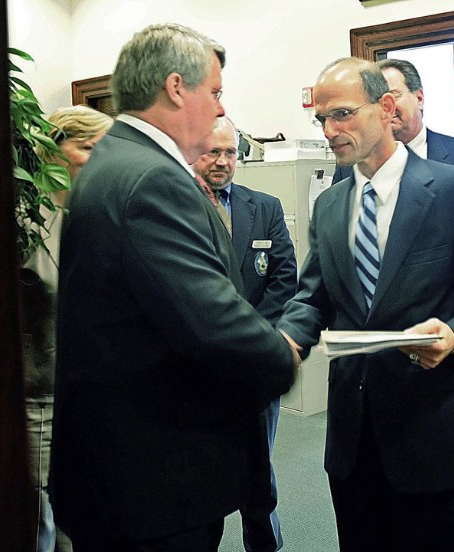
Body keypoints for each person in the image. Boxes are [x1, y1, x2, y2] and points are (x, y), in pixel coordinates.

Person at [48, 23, 302, 552]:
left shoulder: (119, 162)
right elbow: (211, 322)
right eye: (215, 92)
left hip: (131, 470)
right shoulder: (150, 178)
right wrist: (282, 355)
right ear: (175, 87)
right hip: (152, 481)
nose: (218, 108)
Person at [276, 57, 454, 552]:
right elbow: (314, 296)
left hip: (433, 433)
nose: (330, 130)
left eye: (342, 114)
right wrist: (284, 342)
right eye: (321, 119)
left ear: (386, 108)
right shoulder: (330, 205)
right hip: (352, 441)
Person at [191, 116, 297, 552]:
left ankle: (265, 544)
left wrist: (250, 338)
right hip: (201, 366)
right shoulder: (178, 207)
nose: (222, 162)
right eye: (212, 152)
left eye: (230, 152)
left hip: (254, 364)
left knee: (259, 471)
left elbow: (284, 278)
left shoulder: (265, 207)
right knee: (205, 472)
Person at [331, 57, 454, 277]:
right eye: (375, 101)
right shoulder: (350, 168)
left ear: (419, 98)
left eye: (393, 95)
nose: (386, 108)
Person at [19, 104, 114, 552]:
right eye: (88, 147)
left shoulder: (95, 216)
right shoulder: (25, 224)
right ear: (52, 150)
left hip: (93, 396)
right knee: (41, 521)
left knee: (85, 514)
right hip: (40, 400)